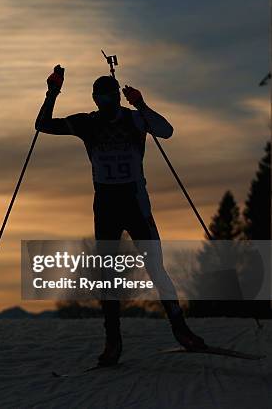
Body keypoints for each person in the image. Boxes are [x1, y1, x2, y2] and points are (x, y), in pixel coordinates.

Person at [35, 65, 206, 366]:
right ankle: (113, 340)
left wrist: (140, 104)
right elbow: (43, 124)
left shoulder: (133, 119)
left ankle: (181, 331)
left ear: (116, 97)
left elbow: (166, 131)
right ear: (96, 99)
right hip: (107, 204)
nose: (106, 103)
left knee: (155, 268)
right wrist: (52, 91)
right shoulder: (89, 123)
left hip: (134, 202)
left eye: (109, 97)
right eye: (101, 98)